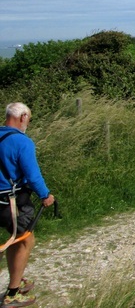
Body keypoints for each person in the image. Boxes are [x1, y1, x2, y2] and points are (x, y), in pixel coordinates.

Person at [0, 103, 55, 308]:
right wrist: (45, 195)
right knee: (24, 241)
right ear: (22, 117)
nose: (28, 125)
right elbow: (32, 175)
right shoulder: (22, 142)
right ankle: (12, 294)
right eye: (29, 120)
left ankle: (16, 274)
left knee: (14, 239)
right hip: (11, 201)